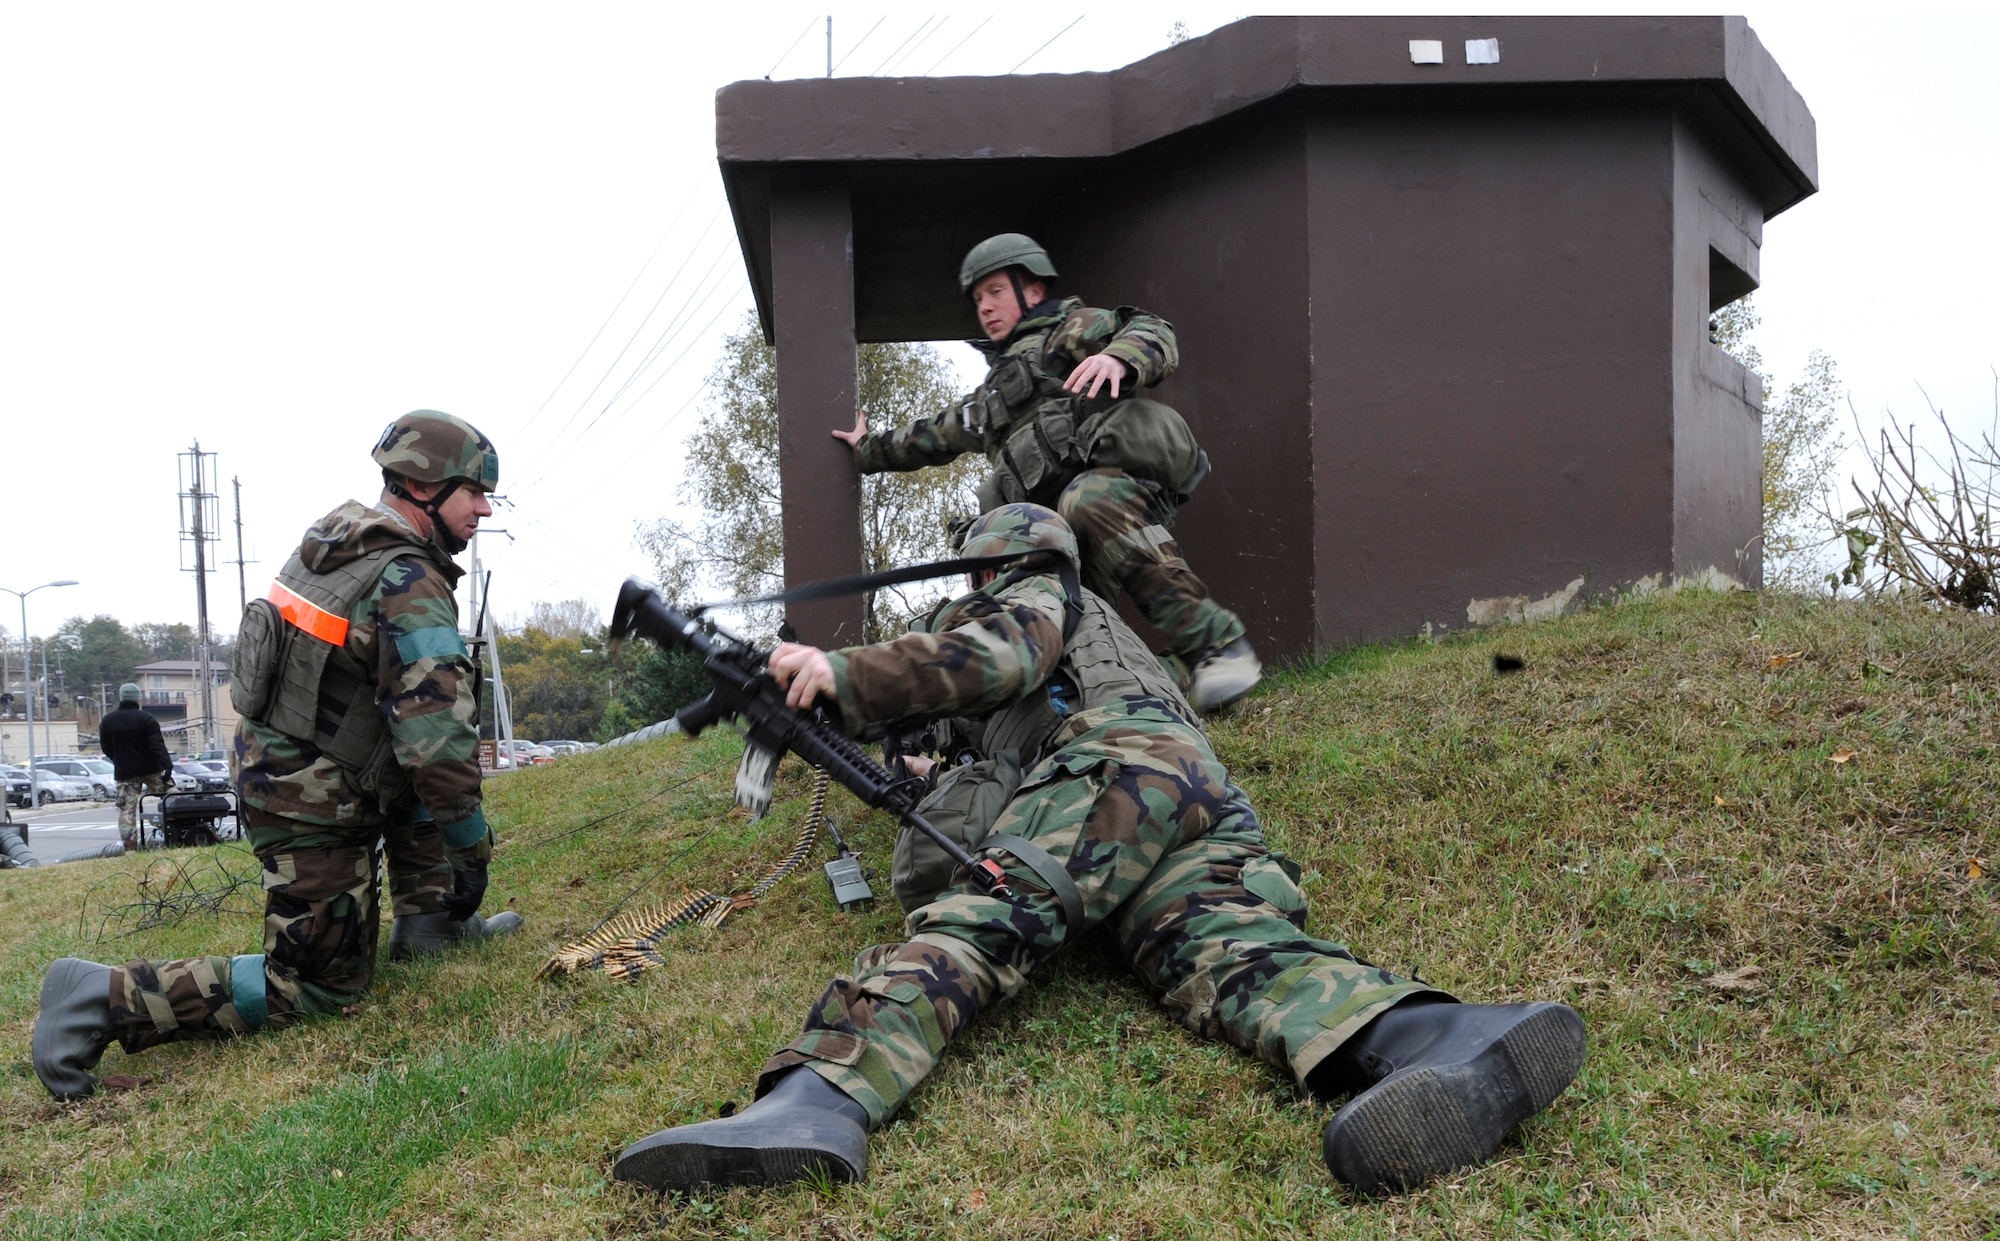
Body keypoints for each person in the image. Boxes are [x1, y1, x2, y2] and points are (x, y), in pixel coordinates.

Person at [611, 504, 1585, 1196]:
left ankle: (818, 1094)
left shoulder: (1036, 594)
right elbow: (979, 713)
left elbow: (991, 657)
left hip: (1107, 778)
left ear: (992, 567)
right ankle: (1428, 1038)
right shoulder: (1119, 640)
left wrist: (842, 668)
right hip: (1189, 792)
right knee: (1226, 951)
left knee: (985, 914)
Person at [31, 411, 523, 1101]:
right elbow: (437, 739)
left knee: (419, 785)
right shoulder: (408, 578)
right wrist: (471, 848)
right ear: (421, 486)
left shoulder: (341, 543)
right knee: (317, 987)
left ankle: (433, 926)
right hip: (311, 799)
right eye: (473, 489)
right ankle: (101, 996)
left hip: (299, 767)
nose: (484, 506)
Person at [832, 233, 1262, 713]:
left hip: (1115, 501)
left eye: (996, 291)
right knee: (1058, 630)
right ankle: (1175, 681)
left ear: (1032, 291)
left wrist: (1118, 356)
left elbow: (1151, 329)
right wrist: (865, 448)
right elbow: (928, 436)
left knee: (1088, 498)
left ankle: (1220, 647)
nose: (986, 308)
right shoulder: (986, 403)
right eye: (978, 299)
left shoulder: (1068, 331)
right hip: (1055, 542)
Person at [98, 682, 175, 849]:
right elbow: (157, 745)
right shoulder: (146, 718)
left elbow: (106, 748)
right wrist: (167, 766)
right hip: (151, 769)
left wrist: (118, 759)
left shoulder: (108, 721)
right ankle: (177, 832)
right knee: (172, 796)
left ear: (121, 698)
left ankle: (130, 847)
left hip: (125, 772)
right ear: (137, 699)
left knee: (127, 810)